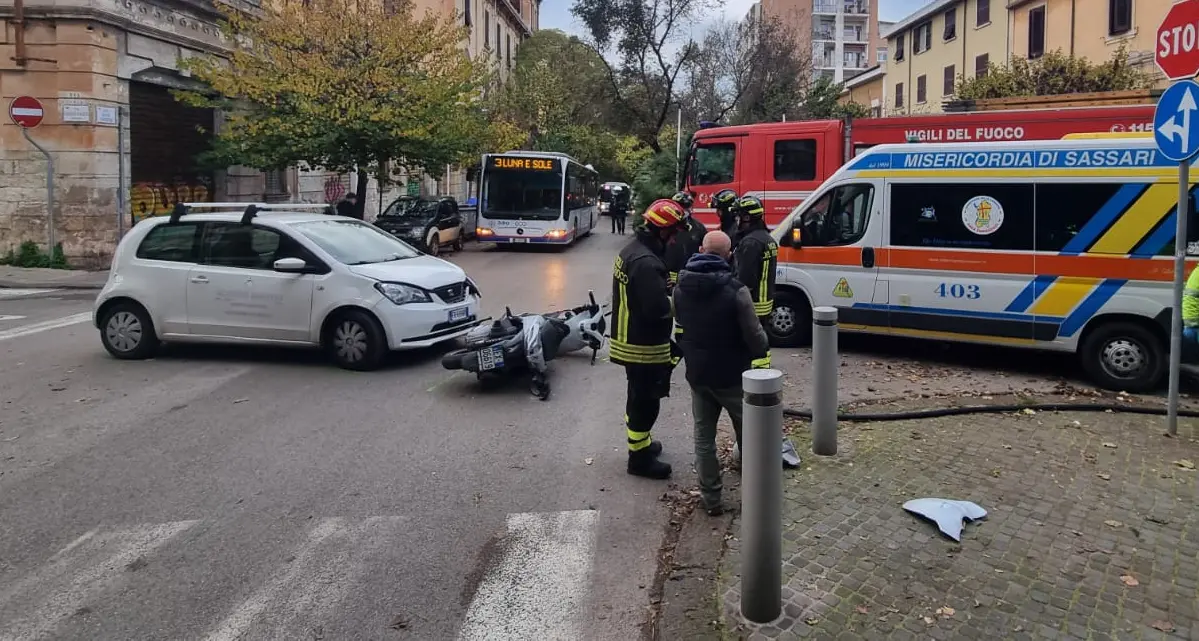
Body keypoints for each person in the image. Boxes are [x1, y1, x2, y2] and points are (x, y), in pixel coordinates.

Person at [673, 230, 770, 515]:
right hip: (732, 376)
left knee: (703, 438)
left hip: (699, 375)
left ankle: (711, 499)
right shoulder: (736, 290)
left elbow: (681, 327)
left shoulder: (680, 288)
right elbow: (755, 335)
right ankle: (756, 497)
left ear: (701, 249)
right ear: (729, 255)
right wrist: (761, 349)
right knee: (749, 434)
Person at [610, 199, 687, 479]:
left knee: (638, 395)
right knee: (645, 400)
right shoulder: (645, 261)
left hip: (631, 338)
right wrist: (682, 299)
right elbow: (658, 309)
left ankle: (640, 445)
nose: (677, 237)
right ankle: (639, 460)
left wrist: (662, 284)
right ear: (662, 230)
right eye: (675, 231)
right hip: (642, 344)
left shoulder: (634, 251)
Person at [732, 195, 778, 320]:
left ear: (747, 217)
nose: (736, 219)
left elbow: (745, 278)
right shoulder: (767, 238)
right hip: (766, 301)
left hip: (753, 302)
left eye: (738, 215)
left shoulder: (750, 242)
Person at [664, 191, 707, 287]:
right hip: (668, 275)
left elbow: (706, 251)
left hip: (691, 275)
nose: (683, 209)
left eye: (686, 206)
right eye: (680, 206)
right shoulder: (666, 225)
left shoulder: (698, 227)